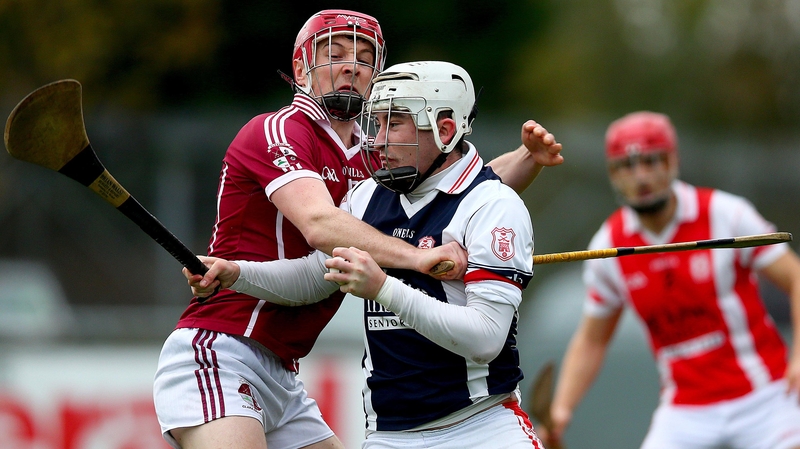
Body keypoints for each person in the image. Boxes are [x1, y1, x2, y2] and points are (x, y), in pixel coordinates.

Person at [153, 9, 563, 449]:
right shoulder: (280, 130)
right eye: (334, 52)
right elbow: (319, 225)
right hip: (223, 349)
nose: (351, 65)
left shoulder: (371, 166)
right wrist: (418, 257)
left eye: (364, 57)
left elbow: (454, 191)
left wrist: (524, 160)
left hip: (283, 371)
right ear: (300, 68)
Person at [540, 111, 800, 449]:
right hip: (685, 410)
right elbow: (592, 340)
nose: (641, 176)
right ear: (613, 175)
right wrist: (562, 409)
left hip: (763, 395)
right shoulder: (608, 247)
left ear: (672, 161)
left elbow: (795, 278)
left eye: (651, 161)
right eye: (626, 166)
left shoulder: (725, 213)